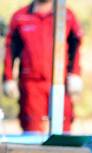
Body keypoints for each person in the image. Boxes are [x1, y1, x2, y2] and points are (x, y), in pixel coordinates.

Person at [2, 0, 83, 133]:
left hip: (60, 84)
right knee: (33, 128)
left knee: (63, 129)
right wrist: (8, 78)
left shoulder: (66, 15)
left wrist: (75, 74)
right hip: (32, 86)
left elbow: (76, 46)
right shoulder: (20, 17)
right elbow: (10, 50)